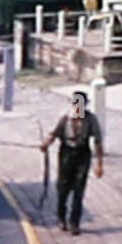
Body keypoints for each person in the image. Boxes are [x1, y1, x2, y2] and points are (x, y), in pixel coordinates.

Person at [40, 91, 104, 235]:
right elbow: (53, 134)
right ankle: (61, 218)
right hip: (66, 155)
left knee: (79, 189)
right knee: (63, 188)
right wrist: (45, 145)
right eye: (75, 104)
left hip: (82, 154)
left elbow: (98, 141)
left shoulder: (91, 119)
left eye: (80, 105)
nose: (78, 108)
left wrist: (99, 164)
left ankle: (74, 222)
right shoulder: (65, 119)